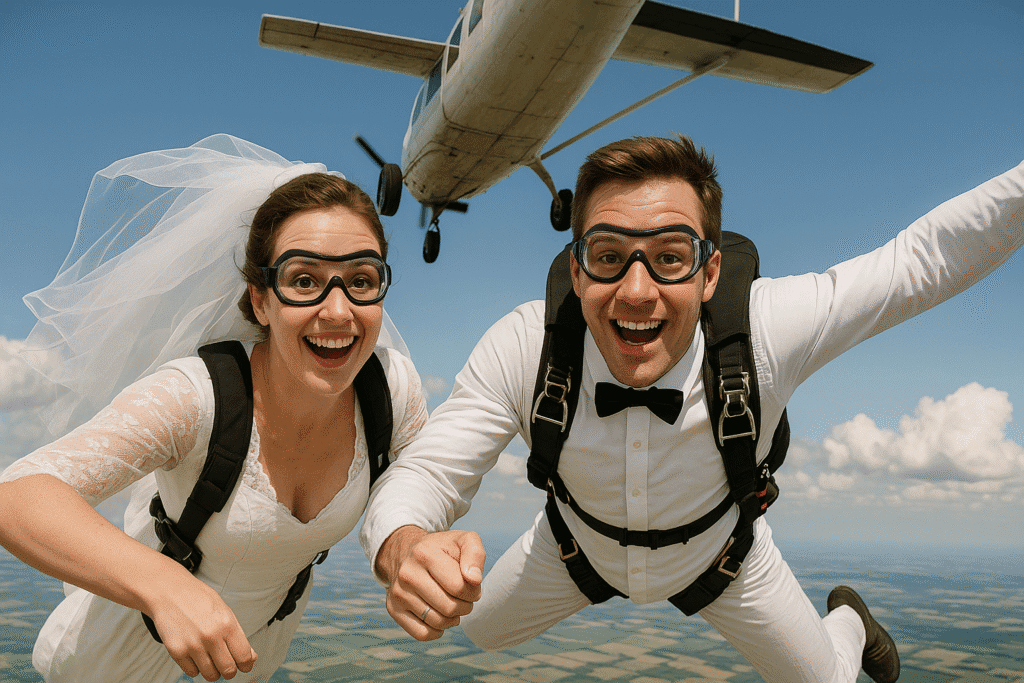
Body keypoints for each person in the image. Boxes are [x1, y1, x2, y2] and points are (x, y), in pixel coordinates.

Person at [360, 135, 1024, 683]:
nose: (638, 290)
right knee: (478, 626)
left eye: (670, 257)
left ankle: (849, 618)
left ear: (710, 273)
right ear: (577, 268)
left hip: (725, 559)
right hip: (571, 550)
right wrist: (406, 542)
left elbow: (918, 264)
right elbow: (427, 473)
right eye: (609, 256)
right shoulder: (524, 345)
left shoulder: (766, 329)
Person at [0, 134, 427, 682]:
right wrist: (165, 585)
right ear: (260, 300)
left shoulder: (392, 390)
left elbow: (417, 489)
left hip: (246, 660)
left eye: (362, 280)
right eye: (304, 281)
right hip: (121, 661)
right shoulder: (197, 397)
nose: (338, 310)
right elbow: (18, 497)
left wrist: (417, 546)